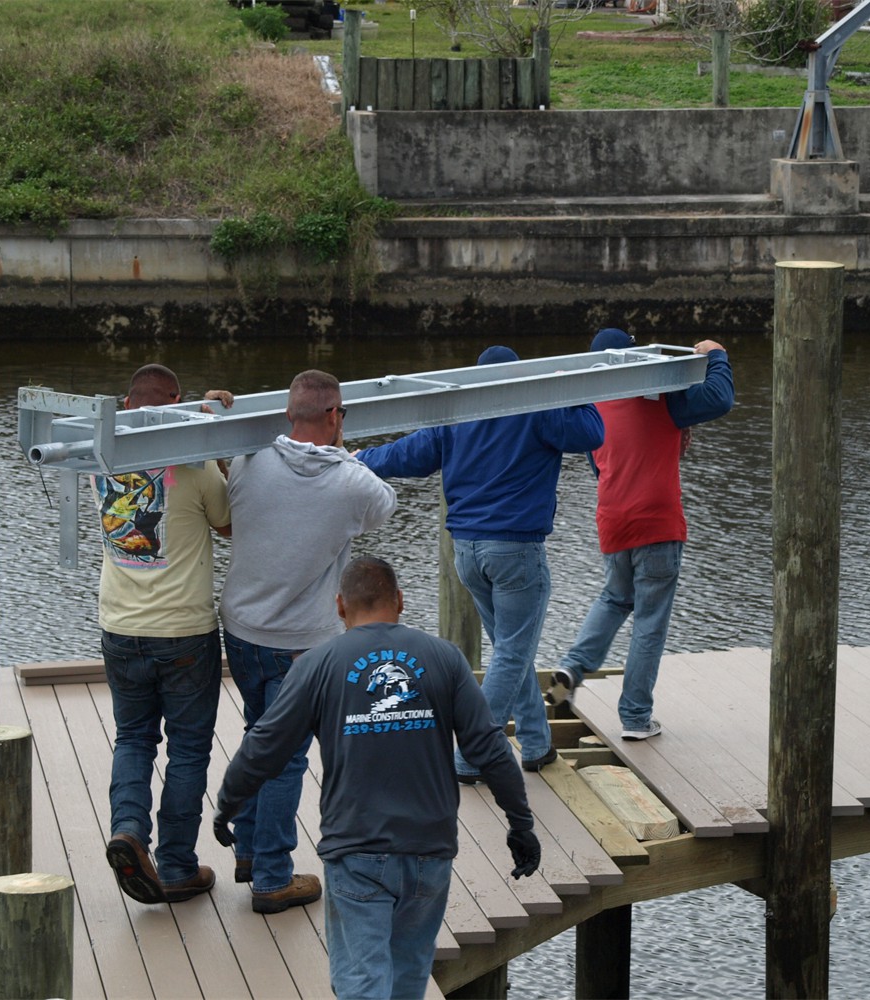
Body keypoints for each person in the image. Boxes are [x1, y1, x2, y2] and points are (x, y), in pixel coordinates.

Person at [214, 556, 541, 999]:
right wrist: (520, 824)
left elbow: (264, 747)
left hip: (357, 852)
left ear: (339, 607)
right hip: (430, 852)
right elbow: (490, 749)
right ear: (400, 601)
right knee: (408, 983)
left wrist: (228, 806)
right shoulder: (444, 658)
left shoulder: (318, 664)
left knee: (362, 987)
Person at [354, 345, 603, 782]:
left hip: (467, 553)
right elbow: (592, 432)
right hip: (515, 550)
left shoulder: (459, 412)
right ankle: (470, 755)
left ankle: (537, 743)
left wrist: (357, 461)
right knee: (512, 651)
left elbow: (409, 454)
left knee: (512, 647)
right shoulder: (537, 404)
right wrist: (569, 387)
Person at [219, 369, 397, 913]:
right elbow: (384, 505)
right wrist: (345, 452)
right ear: (334, 417)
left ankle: (249, 851)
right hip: (299, 643)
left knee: (258, 736)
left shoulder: (250, 461)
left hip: (241, 628)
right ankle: (273, 876)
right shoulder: (351, 482)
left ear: (287, 414)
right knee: (288, 756)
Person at [547, 329, 734, 740]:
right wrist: (716, 355)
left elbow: (603, 467)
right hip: (658, 522)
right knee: (649, 621)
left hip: (613, 520)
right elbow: (719, 399)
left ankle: (573, 667)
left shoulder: (591, 407)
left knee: (615, 597)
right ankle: (634, 716)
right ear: (633, 359)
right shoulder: (661, 392)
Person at [98, 363, 232, 904]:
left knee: (133, 739)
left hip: (119, 628)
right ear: (177, 402)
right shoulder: (198, 469)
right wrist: (220, 434)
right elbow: (230, 525)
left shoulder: (98, 463)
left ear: (128, 406)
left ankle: (129, 831)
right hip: (184, 632)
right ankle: (177, 864)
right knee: (189, 749)